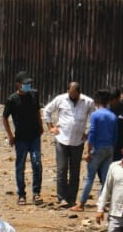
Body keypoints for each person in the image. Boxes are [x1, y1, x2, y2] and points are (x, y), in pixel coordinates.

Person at [40, 80, 93, 208]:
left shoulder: (88, 102)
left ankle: (71, 198)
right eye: (70, 93)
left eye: (74, 94)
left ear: (79, 93)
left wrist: (88, 133)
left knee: (75, 171)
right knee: (62, 169)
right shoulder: (60, 99)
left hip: (78, 141)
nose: (71, 96)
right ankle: (62, 198)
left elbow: (94, 117)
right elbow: (46, 110)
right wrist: (50, 127)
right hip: (62, 139)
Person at [2, 72, 43, 205]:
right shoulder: (12, 99)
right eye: (24, 83)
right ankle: (21, 194)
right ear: (17, 85)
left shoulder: (33, 94)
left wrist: (41, 126)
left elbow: (37, 110)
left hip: (34, 136)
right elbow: (4, 117)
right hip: (21, 139)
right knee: (20, 166)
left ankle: (36, 193)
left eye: (28, 83)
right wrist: (10, 136)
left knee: (37, 163)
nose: (27, 85)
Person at [77, 88, 119, 210]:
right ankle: (101, 203)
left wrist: (88, 151)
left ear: (96, 102)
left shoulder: (95, 115)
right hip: (109, 148)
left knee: (90, 177)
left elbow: (92, 134)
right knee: (105, 179)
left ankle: (81, 203)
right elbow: (115, 135)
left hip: (98, 148)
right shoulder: (112, 116)